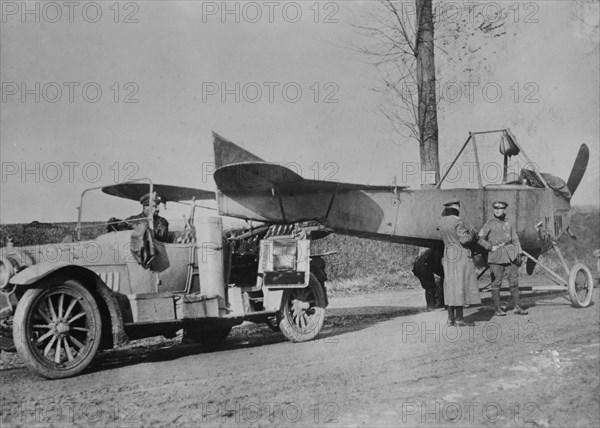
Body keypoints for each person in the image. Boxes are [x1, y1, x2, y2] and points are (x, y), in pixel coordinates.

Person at [478, 201, 528, 316]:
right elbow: (480, 238)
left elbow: (515, 240)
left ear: (505, 210)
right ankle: (497, 309)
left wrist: (519, 253)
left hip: (510, 256)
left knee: (514, 282)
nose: (497, 210)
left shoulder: (509, 223)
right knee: (496, 283)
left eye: (500, 209)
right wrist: (489, 247)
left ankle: (517, 307)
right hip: (496, 258)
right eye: (495, 208)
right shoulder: (489, 224)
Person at [437, 198, 481, 326]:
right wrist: (472, 234)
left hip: (448, 254)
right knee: (460, 284)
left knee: (450, 285)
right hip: (460, 255)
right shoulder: (458, 221)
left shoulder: (441, 222)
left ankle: (450, 319)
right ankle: (459, 319)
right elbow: (464, 240)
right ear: (457, 208)